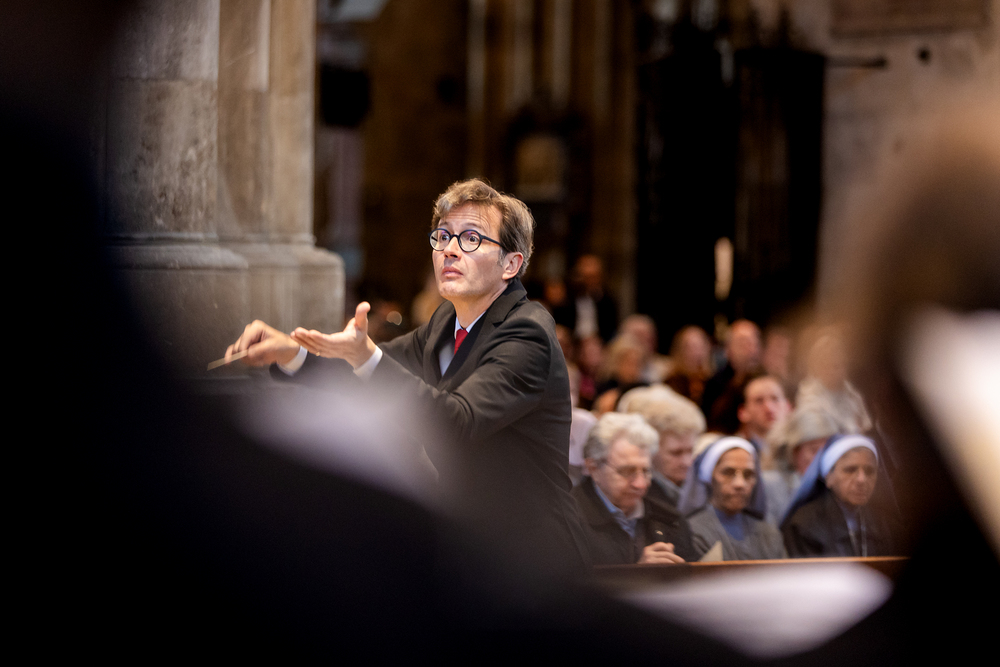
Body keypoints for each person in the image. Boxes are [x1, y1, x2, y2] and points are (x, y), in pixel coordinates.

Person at [225, 178, 589, 572]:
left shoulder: (527, 332)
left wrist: (366, 357)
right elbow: (372, 373)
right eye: (443, 236)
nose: (449, 249)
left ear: (511, 264)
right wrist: (292, 353)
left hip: (536, 559)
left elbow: (456, 421)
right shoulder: (446, 322)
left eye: (470, 238)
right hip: (473, 547)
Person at [572, 413, 699, 564]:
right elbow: (566, 578)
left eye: (646, 471)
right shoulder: (568, 520)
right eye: (627, 472)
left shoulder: (669, 519)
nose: (640, 484)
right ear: (593, 468)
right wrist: (638, 573)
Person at [781, 435, 897, 557]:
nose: (861, 479)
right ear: (828, 476)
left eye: (869, 471)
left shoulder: (887, 525)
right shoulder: (804, 525)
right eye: (850, 470)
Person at [678, 437, 786, 561]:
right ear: (709, 477)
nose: (740, 484)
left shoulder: (769, 534)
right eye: (728, 472)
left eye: (748, 474)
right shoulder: (692, 532)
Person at [619, 385, 705, 508]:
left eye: (690, 451)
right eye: (676, 453)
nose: (686, 462)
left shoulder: (699, 489)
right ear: (649, 450)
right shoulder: (637, 496)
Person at [760, 406, 840, 526]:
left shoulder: (830, 485)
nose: (820, 459)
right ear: (794, 450)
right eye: (814, 450)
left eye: (826, 451)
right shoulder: (770, 484)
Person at [701, 319, 763, 434]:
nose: (750, 349)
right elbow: (712, 422)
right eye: (743, 343)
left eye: (753, 343)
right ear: (728, 349)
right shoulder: (715, 383)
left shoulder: (767, 379)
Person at [735, 374, 792, 469]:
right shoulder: (735, 450)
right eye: (759, 401)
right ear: (743, 412)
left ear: (788, 407)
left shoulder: (799, 450)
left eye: (775, 399)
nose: (769, 408)